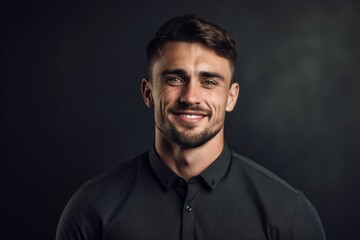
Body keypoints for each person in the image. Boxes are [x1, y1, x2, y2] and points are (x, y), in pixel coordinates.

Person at [56, 14, 326, 240]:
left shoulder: (288, 212)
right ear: (148, 93)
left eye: (209, 82)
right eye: (174, 78)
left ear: (231, 97)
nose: (190, 97)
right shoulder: (92, 207)